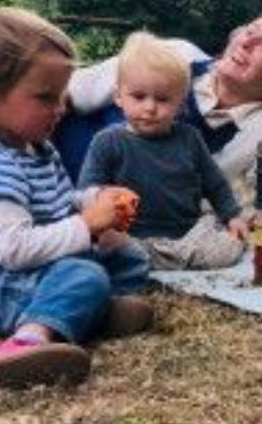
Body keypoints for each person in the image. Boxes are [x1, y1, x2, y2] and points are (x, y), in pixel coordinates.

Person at [0, 5, 262, 280]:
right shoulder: (173, 54)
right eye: (249, 27)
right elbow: (69, 91)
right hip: (33, 160)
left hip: (75, 214)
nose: (244, 39)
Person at [0, 7, 154, 387]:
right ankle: (28, 341)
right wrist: (86, 225)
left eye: (61, 96)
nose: (59, 109)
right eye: (44, 98)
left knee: (129, 257)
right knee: (83, 273)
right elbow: (13, 250)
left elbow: (58, 200)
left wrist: (94, 199)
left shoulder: (36, 146)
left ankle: (90, 307)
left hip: (31, 271)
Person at [78, 31, 250, 270]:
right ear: (119, 96)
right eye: (138, 97)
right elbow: (86, 192)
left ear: (179, 105)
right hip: (134, 235)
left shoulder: (189, 138)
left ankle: (167, 260)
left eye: (162, 99)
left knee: (227, 249)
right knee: (110, 248)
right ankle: (152, 260)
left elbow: (215, 183)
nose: (149, 107)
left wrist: (232, 216)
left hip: (189, 232)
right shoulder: (108, 141)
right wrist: (103, 201)